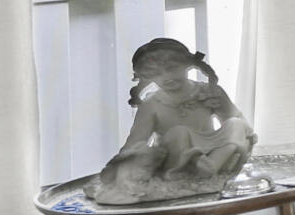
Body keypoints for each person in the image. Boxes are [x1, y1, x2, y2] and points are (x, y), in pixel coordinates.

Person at [88, 38, 256, 205]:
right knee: (179, 132)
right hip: (176, 157)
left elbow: (239, 122)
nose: (167, 77)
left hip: (212, 152)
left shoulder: (210, 91)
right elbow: (135, 143)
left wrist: (244, 134)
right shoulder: (151, 104)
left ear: (187, 65)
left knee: (236, 124)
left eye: (172, 69)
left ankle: (211, 166)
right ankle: (190, 168)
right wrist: (121, 167)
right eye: (157, 74)